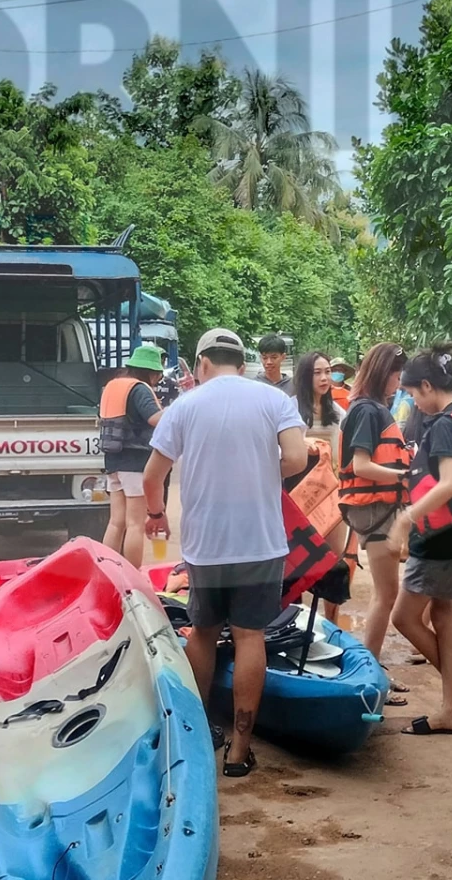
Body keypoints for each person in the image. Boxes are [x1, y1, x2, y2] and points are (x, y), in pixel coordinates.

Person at [142, 329, 308, 778]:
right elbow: (296, 458)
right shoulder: (273, 400)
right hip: (260, 543)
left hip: (206, 545)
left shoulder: (185, 406)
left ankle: (196, 739)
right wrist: (261, 472)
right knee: (250, 635)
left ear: (201, 364)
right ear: (243, 361)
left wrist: (157, 514)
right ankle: (239, 750)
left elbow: (151, 476)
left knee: (202, 633)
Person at [388, 345, 452, 736]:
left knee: (403, 617)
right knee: (443, 616)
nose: (414, 403)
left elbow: (450, 483)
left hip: (437, 537)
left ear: (429, 386)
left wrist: (406, 520)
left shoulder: (445, 425)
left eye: (414, 395)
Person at [337, 343, 411, 676]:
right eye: (396, 374)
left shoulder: (372, 408)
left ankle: (371, 665)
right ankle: (370, 671)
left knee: (387, 592)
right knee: (387, 593)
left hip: (379, 506)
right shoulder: (367, 410)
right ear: (383, 373)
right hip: (374, 509)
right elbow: (361, 465)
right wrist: (404, 474)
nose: (399, 380)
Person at [99, 345, 167, 567]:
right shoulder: (139, 389)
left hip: (113, 461)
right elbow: (155, 419)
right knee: (135, 523)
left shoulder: (112, 386)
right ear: (150, 371)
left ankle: (109, 571)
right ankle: (133, 577)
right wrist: (178, 410)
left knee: (116, 522)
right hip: (135, 462)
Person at [296, 351, 347, 442]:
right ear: (305, 376)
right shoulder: (291, 408)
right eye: (317, 373)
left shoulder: (337, 410)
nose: (324, 378)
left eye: (327, 372)